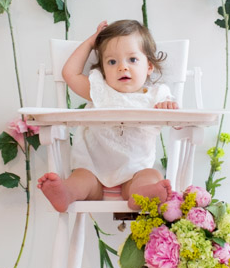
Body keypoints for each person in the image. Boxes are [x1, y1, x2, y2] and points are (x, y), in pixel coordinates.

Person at [37, 19, 179, 211]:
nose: (122, 67)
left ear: (149, 67)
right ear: (103, 70)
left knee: (151, 175)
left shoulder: (157, 96)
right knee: (81, 180)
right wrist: (90, 42)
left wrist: (168, 109)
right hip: (93, 168)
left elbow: (179, 122)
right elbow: (70, 73)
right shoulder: (99, 90)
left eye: (132, 59)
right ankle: (66, 193)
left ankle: (142, 196)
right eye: (112, 62)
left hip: (134, 171)